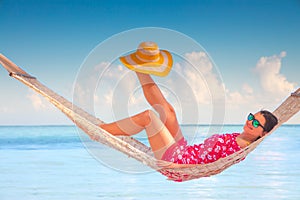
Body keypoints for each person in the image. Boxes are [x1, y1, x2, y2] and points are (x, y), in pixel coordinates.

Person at [99, 41, 278, 169]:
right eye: (251, 118)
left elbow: (214, 168)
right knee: (168, 111)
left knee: (148, 117)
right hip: (184, 150)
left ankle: (100, 130)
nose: (249, 122)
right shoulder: (239, 136)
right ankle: (138, 67)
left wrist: (179, 169)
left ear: (264, 133)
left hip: (178, 162)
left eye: (255, 123)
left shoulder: (242, 149)